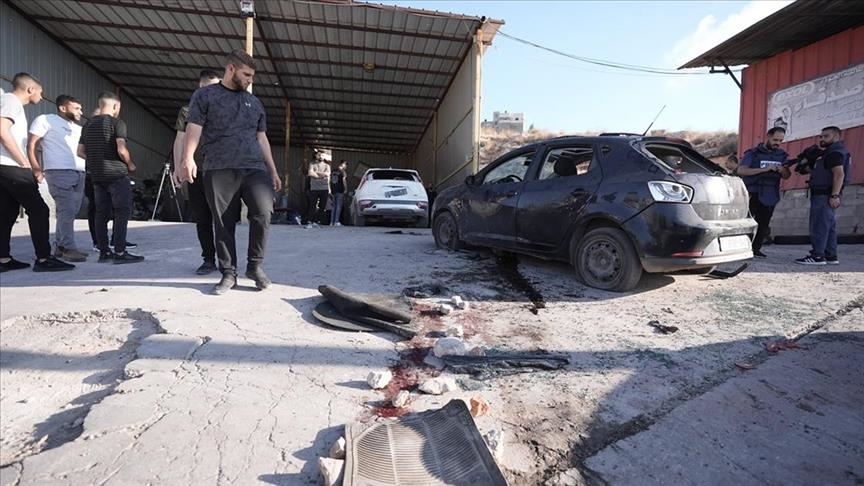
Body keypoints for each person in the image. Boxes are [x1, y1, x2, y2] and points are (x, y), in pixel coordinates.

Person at [179, 49, 282, 295]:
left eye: (252, 76)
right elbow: (194, 127)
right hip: (218, 166)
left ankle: (254, 266)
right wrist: (187, 157)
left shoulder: (254, 102)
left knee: (263, 212)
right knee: (223, 222)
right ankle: (228, 273)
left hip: (254, 167)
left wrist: (273, 170)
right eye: (246, 75)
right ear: (231, 69)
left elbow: (262, 138)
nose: (250, 80)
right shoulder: (205, 95)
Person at [0, 73, 75, 273]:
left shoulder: (8, 102)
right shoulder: (11, 101)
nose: (41, 97)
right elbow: (2, 130)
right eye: (40, 93)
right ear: (30, 89)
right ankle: (43, 258)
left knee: (7, 212)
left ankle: (3, 259)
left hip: (4, 167)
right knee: (39, 210)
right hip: (11, 167)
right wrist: (23, 162)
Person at [77, 91, 144, 264]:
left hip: (97, 176)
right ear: (115, 106)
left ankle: (104, 252)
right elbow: (121, 149)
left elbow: (80, 151)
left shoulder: (88, 124)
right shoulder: (117, 123)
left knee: (101, 213)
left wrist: (96, 160)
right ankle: (120, 252)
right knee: (121, 212)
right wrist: (130, 164)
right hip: (116, 174)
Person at [27, 95, 89, 262]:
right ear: (62, 108)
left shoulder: (78, 128)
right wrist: (36, 168)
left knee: (70, 212)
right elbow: (32, 144)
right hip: (58, 171)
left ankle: (60, 247)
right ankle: (68, 248)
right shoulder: (46, 120)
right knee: (66, 209)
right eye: (76, 108)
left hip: (79, 172)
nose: (81, 112)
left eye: (81, 109)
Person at [172, 69, 221, 275]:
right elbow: (180, 139)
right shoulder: (187, 110)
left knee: (222, 218)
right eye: (212, 87)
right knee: (202, 218)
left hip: (220, 171)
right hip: (196, 170)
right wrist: (178, 167)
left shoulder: (223, 109)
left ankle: (227, 261)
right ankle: (208, 259)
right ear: (201, 87)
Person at [795, 126, 850, 266]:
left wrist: (834, 195)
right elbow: (823, 172)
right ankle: (831, 256)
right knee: (829, 227)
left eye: (826, 136)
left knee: (819, 226)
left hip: (824, 195)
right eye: (821, 136)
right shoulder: (830, 153)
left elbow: (839, 175)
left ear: (836, 137)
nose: (822, 139)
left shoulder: (834, 153)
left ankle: (817, 256)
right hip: (825, 194)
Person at [738, 127, 791, 258]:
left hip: (770, 194)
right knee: (746, 222)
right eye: (775, 140)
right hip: (753, 192)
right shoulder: (753, 153)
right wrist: (764, 169)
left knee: (763, 223)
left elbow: (786, 175)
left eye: (780, 141)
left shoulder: (782, 155)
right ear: (768, 136)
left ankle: (755, 249)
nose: (777, 143)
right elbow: (741, 171)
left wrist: (782, 170)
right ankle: (740, 248)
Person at [305, 151, 330, 228]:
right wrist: (321, 176)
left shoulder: (327, 166)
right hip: (314, 188)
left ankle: (317, 221)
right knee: (312, 205)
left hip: (324, 188)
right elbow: (310, 173)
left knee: (322, 206)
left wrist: (316, 173)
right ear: (316, 156)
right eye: (319, 155)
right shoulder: (312, 164)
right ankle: (310, 221)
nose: (321, 156)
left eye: (322, 155)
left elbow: (327, 174)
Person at [329, 159, 348, 226]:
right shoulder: (343, 172)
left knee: (334, 207)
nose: (346, 167)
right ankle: (336, 222)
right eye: (346, 165)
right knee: (338, 206)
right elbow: (344, 181)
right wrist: (345, 189)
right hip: (340, 190)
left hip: (333, 190)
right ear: (343, 164)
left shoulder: (333, 171)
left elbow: (330, 181)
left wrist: (330, 189)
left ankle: (332, 222)